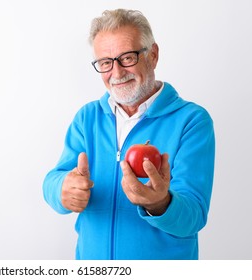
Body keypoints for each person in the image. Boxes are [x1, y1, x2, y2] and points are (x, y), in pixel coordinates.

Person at [42, 8, 215, 260]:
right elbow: (53, 179)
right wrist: (62, 189)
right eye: (105, 62)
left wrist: (159, 203)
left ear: (153, 55)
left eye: (127, 58)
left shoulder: (191, 120)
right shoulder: (87, 117)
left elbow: (193, 216)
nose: (117, 72)